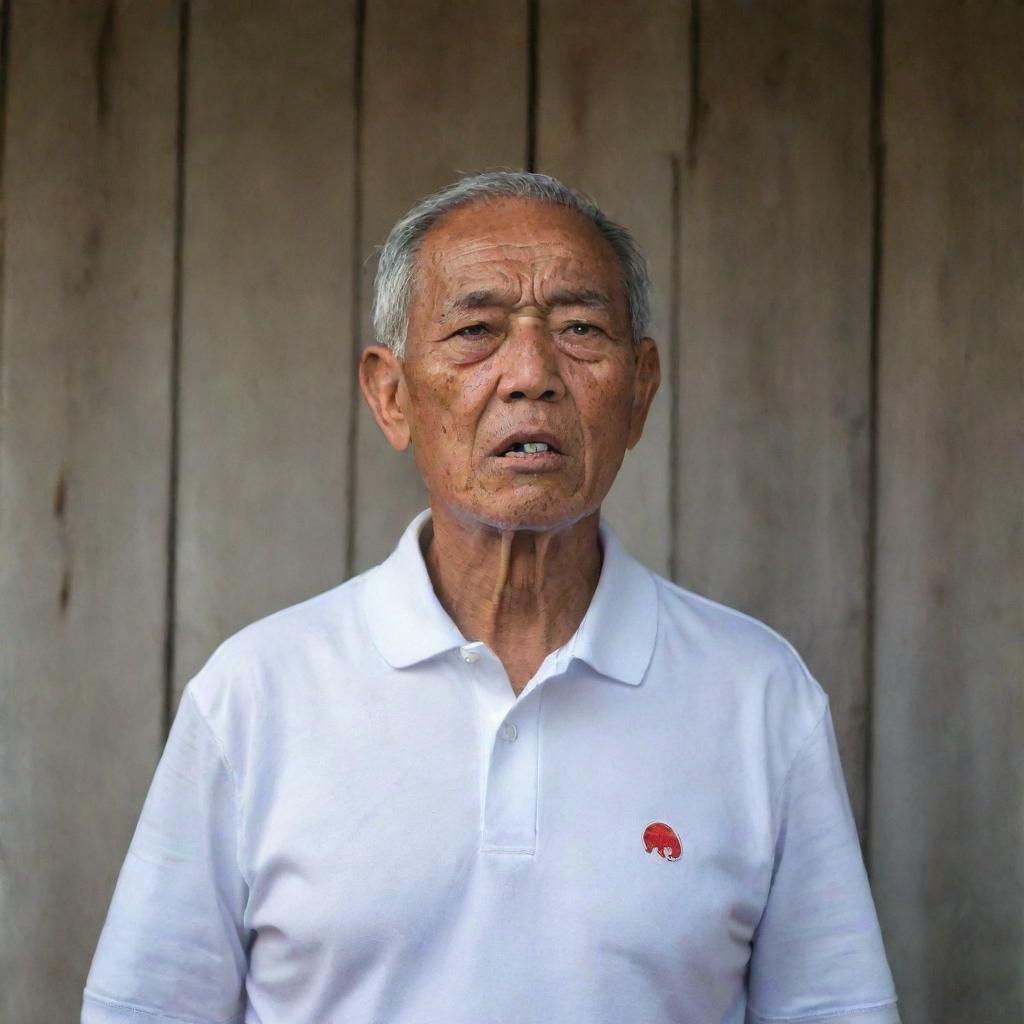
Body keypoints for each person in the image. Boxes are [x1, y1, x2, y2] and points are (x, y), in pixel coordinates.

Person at [82, 171, 900, 1024]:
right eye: (476, 330)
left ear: (640, 391)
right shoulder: (256, 695)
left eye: (580, 329)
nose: (531, 375)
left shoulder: (759, 697)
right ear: (391, 395)